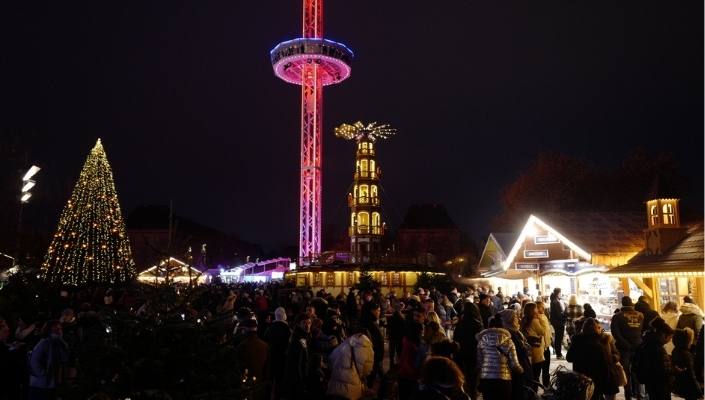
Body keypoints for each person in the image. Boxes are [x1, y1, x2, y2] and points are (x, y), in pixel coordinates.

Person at [566, 317, 620, 400]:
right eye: (598, 327)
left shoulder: (578, 340)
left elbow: (569, 358)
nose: (600, 329)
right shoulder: (602, 342)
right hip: (599, 378)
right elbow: (606, 364)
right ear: (596, 328)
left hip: (583, 379)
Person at [476, 314, 522, 400]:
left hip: (486, 379)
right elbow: (515, 364)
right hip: (504, 378)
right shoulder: (508, 341)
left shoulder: (482, 341)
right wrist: (521, 371)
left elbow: (479, 363)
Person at [610, 296, 645, 400]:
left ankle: (628, 394)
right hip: (638, 346)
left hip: (623, 348)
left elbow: (615, 333)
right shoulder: (641, 315)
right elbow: (641, 330)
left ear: (622, 303)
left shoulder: (617, 316)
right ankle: (640, 394)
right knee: (638, 370)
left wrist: (625, 343)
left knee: (625, 372)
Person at [326, 329, 375, 400]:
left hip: (336, 386)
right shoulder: (367, 345)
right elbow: (367, 369)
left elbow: (331, 358)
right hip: (353, 386)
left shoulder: (346, 343)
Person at [28, 320, 69, 400]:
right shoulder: (44, 342)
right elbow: (34, 360)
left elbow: (65, 358)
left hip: (52, 384)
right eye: (56, 329)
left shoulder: (59, 343)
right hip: (41, 385)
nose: (59, 331)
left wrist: (63, 344)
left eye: (60, 329)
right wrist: (43, 374)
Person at [637, 317, 675, 400]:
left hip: (650, 381)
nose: (670, 340)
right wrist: (674, 370)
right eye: (670, 337)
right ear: (663, 335)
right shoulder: (657, 348)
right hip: (660, 383)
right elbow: (662, 369)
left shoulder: (647, 343)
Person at [453, 302, 484, 400]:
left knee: (463, 378)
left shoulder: (460, 324)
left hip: (462, 353)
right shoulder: (477, 324)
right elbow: (480, 341)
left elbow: (455, 339)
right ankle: (473, 396)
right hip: (474, 354)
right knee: (473, 380)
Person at [282, 314, 312, 399]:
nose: (307, 325)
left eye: (309, 323)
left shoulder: (304, 335)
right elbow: (298, 362)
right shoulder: (299, 338)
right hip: (296, 379)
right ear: (299, 324)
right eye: (304, 323)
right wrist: (302, 380)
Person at [234, 319, 270, 386]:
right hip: (261, 383)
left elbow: (239, 366)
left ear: (244, 330)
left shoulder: (241, 347)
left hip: (246, 384)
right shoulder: (265, 345)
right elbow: (267, 367)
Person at [265, 307, 291, 400]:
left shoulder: (271, 327)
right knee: (280, 378)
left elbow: (266, 338)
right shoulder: (287, 328)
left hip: (272, 355)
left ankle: (269, 395)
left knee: (271, 377)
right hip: (282, 356)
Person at [671, 328, 703, 400]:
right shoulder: (687, 355)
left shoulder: (675, 351)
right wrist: (699, 392)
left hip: (680, 385)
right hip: (689, 387)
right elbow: (691, 375)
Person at [398, 321, 427, 400]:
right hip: (408, 377)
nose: (423, 332)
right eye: (422, 330)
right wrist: (416, 375)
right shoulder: (411, 345)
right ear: (417, 331)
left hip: (406, 375)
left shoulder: (409, 342)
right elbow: (406, 362)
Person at [520, 302, 545, 392]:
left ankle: (530, 393)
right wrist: (541, 319)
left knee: (530, 374)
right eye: (535, 308)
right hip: (536, 349)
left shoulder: (523, 320)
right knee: (536, 374)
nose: (537, 310)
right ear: (532, 310)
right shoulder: (534, 320)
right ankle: (534, 393)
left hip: (528, 348)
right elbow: (542, 331)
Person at [359, 302, 384, 388]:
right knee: (372, 375)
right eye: (378, 310)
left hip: (375, 355)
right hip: (374, 355)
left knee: (377, 374)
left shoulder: (370, 321)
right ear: (372, 311)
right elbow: (374, 340)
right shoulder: (370, 323)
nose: (379, 312)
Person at [535, 301, 552, 388]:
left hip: (546, 345)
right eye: (541, 307)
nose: (543, 308)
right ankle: (538, 386)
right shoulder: (536, 318)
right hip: (541, 347)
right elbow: (542, 331)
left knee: (546, 367)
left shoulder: (544, 316)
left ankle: (546, 384)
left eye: (543, 307)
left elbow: (547, 331)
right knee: (539, 368)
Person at [549, 288, 566, 359]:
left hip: (557, 322)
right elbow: (559, 314)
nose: (561, 294)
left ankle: (558, 353)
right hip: (558, 323)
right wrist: (565, 312)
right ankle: (558, 354)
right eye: (560, 293)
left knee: (558, 338)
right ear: (558, 293)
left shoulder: (555, 300)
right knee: (559, 338)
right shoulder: (555, 302)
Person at [388, 302, 405, 367]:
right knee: (398, 351)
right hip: (398, 337)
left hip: (392, 336)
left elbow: (390, 326)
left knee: (392, 352)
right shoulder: (400, 316)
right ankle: (399, 365)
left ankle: (392, 364)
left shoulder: (394, 316)